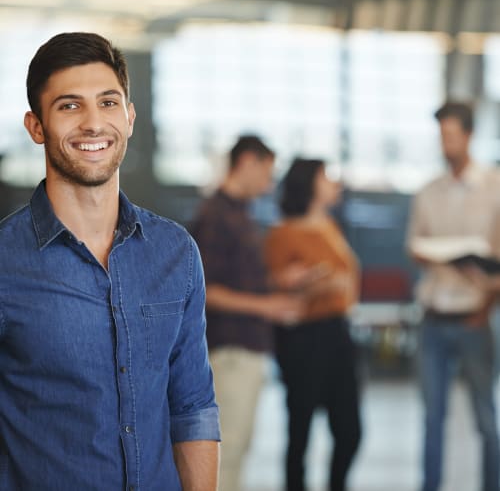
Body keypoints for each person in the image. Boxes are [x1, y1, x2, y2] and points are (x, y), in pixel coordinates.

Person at [0, 32, 219, 490]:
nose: (93, 123)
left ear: (130, 117)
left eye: (108, 102)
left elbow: (192, 405)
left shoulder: (175, 253)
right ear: (36, 126)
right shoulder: (6, 261)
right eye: (69, 106)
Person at [191, 135, 303, 491]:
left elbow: (238, 278)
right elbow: (204, 290)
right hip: (230, 348)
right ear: (248, 162)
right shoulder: (215, 215)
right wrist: (265, 306)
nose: (270, 183)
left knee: (238, 449)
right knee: (226, 450)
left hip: (248, 347)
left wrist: (276, 281)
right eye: (267, 172)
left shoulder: (239, 214)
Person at [407, 101, 500, 491]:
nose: (445, 143)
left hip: (474, 317)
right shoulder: (429, 191)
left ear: (469, 135)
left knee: (484, 416)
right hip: (434, 316)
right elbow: (415, 244)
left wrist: (485, 304)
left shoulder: (495, 187)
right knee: (432, 419)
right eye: (441, 135)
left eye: (451, 134)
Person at [265, 158, 362, 491]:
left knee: (350, 430)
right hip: (304, 338)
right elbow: (275, 285)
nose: (333, 182)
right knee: (301, 430)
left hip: (338, 332)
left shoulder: (331, 226)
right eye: (326, 176)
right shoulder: (283, 233)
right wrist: (312, 283)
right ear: (310, 183)